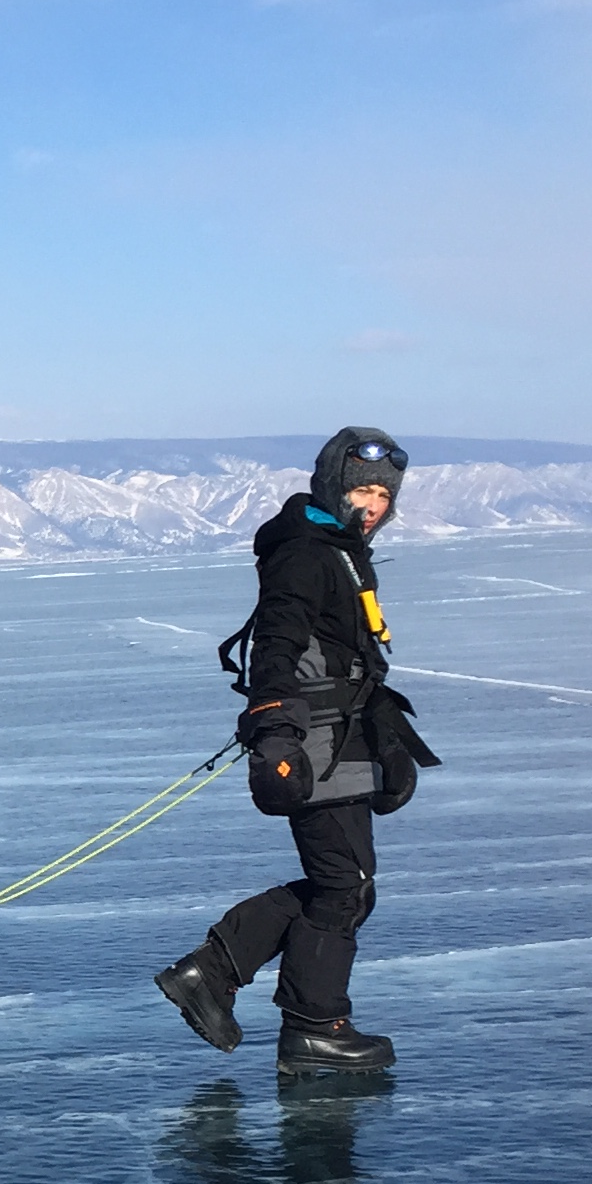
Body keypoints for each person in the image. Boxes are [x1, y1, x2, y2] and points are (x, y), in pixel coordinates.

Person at [155, 426, 437, 1075]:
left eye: (382, 494)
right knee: (345, 887)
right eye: (361, 488)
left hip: (345, 739)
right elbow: (277, 643)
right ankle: (312, 1025)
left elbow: (346, 654)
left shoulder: (337, 547)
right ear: (333, 485)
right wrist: (276, 730)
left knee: (345, 887)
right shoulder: (306, 552)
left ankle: (216, 971)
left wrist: (388, 741)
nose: (371, 503)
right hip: (315, 746)